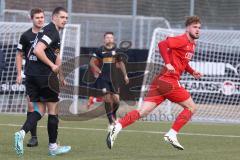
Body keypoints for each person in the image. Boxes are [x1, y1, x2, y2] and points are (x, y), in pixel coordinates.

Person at [106, 16, 203, 150]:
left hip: (160, 81)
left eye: (199, 27)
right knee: (191, 107)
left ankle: (117, 126)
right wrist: (168, 63)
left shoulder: (192, 44)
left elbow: (183, 62)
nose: (197, 30)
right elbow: (162, 44)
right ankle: (172, 134)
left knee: (143, 112)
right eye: (194, 27)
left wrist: (192, 72)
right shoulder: (181, 39)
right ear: (187, 28)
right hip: (169, 80)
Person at [14, 7, 71, 156]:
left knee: (39, 110)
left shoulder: (46, 32)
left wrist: (61, 75)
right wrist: (52, 66)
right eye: (62, 17)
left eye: (66, 18)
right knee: (53, 109)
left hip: (32, 75)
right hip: (44, 76)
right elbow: (38, 50)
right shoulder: (51, 30)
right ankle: (53, 147)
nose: (65, 20)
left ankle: (21, 133)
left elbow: (56, 56)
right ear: (54, 18)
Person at [16, 7, 45, 147]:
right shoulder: (26, 36)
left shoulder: (48, 34)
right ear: (31, 19)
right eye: (37, 17)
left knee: (48, 108)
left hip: (46, 76)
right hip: (31, 76)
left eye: (42, 17)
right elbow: (19, 54)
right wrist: (19, 73)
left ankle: (53, 140)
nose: (40, 20)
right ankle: (33, 138)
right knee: (31, 106)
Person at [89, 32, 129, 131]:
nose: (109, 39)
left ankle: (113, 115)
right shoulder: (100, 50)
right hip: (103, 79)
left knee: (116, 100)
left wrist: (125, 75)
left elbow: (121, 63)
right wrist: (98, 70)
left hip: (115, 79)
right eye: (107, 37)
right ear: (104, 39)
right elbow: (91, 62)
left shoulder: (117, 50)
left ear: (113, 39)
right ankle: (111, 122)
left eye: (111, 37)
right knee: (107, 99)